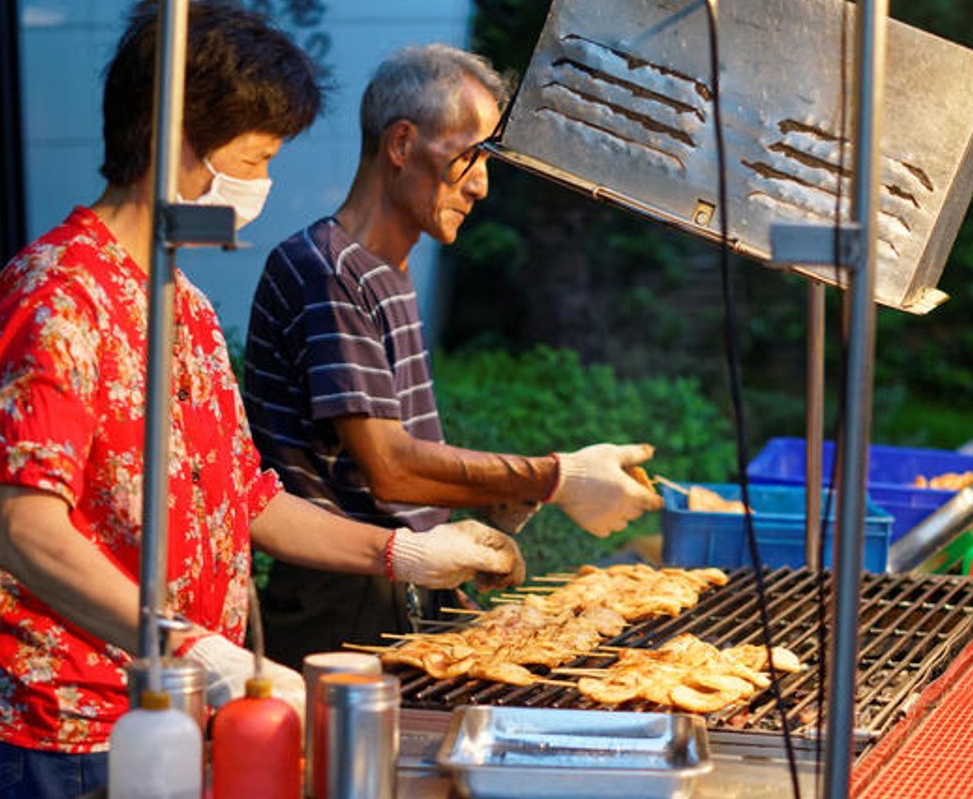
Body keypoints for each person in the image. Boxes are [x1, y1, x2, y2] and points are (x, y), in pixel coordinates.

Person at [0, 0, 521, 799]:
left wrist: (398, 551)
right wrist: (194, 646)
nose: (259, 188)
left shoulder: (184, 308)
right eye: (254, 160)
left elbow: (244, 495)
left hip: (153, 732)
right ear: (178, 143)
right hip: (56, 726)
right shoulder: (60, 299)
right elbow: (27, 532)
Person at [242, 43, 661, 666]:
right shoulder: (327, 270)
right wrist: (556, 477)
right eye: (471, 155)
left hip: (401, 585)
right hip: (340, 606)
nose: (483, 184)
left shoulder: (388, 271)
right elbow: (390, 467)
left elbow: (389, 473)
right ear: (403, 144)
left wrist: (494, 508)